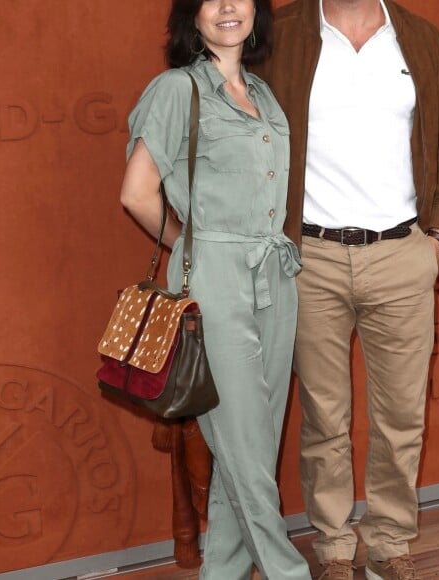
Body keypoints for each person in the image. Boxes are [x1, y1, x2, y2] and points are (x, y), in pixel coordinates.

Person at [254, 0, 439, 578]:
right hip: (312, 257)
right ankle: (333, 548)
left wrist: (438, 238)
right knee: (324, 417)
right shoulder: (281, 33)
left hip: (402, 254)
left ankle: (391, 542)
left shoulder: (419, 38)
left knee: (401, 416)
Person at [119, 0, 312, 578]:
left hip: (276, 273)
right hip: (217, 276)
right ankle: (288, 573)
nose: (228, 8)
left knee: (247, 451)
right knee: (247, 453)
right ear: (192, 17)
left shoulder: (265, 93)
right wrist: (194, 244)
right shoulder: (177, 89)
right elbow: (136, 192)